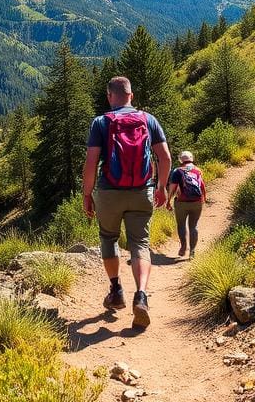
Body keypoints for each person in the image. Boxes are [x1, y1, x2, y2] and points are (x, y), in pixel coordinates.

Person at [82, 76, 171, 329]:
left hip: (108, 192)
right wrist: (161, 187)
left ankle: (116, 289)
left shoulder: (101, 122)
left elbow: (91, 163)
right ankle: (141, 295)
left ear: (110, 96)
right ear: (131, 95)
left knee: (108, 237)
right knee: (140, 243)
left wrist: (87, 194)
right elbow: (164, 157)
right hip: (142, 190)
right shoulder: (148, 120)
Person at [166, 150, 206, 259]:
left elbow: (173, 187)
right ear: (191, 158)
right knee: (193, 226)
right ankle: (192, 251)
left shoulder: (177, 171)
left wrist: (168, 200)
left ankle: (183, 246)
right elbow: (202, 185)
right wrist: (203, 199)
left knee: (181, 225)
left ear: (180, 160)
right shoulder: (198, 170)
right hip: (197, 202)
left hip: (181, 203)